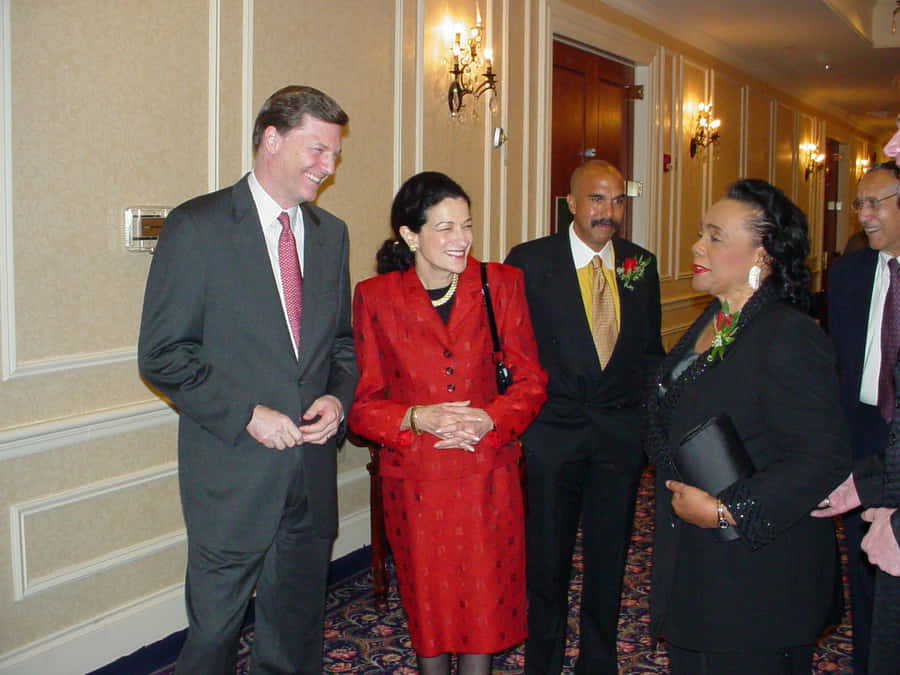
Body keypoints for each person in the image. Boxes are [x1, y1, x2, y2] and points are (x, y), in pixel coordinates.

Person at [137, 85, 357, 674]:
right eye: (317, 151)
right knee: (211, 641)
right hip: (231, 477)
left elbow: (342, 343)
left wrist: (338, 398)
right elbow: (161, 354)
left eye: (334, 155)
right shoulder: (197, 226)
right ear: (271, 138)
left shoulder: (331, 234)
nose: (328, 167)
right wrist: (248, 414)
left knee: (294, 640)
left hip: (309, 478)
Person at [644, 178, 850, 674]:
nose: (696, 246)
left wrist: (725, 511)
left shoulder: (789, 335)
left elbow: (822, 457)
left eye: (715, 236)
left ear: (763, 253)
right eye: (700, 233)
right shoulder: (715, 320)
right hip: (698, 563)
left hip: (759, 577)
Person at [348, 171, 547, 675]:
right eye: (445, 228)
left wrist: (488, 419)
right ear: (410, 236)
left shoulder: (500, 284)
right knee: (430, 608)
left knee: (484, 607)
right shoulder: (376, 297)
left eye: (467, 225)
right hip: (417, 484)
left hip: (486, 475)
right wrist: (417, 416)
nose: (461, 240)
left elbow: (530, 381)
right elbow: (362, 404)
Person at [504, 159, 664, 674]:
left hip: (619, 439)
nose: (608, 212)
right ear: (570, 203)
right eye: (596, 200)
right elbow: (510, 352)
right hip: (553, 437)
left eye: (617, 200)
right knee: (546, 564)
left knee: (609, 561)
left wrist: (645, 427)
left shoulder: (640, 264)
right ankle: (543, 664)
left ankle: (599, 662)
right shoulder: (528, 262)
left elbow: (651, 354)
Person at [814, 158, 900, 674]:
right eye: (859, 204)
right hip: (864, 433)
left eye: (876, 203)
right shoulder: (848, 274)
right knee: (866, 564)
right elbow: (838, 364)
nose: (864, 216)